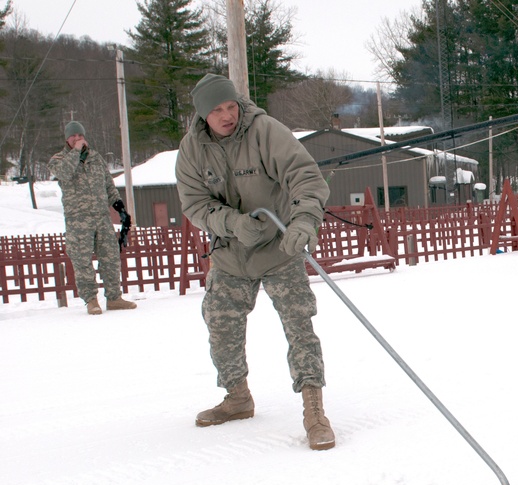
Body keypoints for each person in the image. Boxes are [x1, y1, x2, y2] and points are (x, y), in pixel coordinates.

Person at [174, 73, 335, 451]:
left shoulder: (265, 131)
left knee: (299, 326)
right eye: (217, 110)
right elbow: (195, 204)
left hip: (280, 247)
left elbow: (304, 176)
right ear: (202, 115)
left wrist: (305, 219)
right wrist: (231, 223)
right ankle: (237, 398)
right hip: (231, 254)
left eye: (231, 105)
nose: (228, 114)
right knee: (221, 327)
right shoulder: (191, 150)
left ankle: (314, 410)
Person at [48, 121, 137, 315]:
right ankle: (91, 300)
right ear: (67, 139)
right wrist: (75, 152)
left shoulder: (96, 158)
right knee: (82, 261)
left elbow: (108, 185)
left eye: (80, 135)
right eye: (74, 136)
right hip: (78, 220)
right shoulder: (59, 159)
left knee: (111, 258)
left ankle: (114, 297)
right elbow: (64, 173)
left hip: (101, 218)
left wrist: (121, 209)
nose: (78, 139)